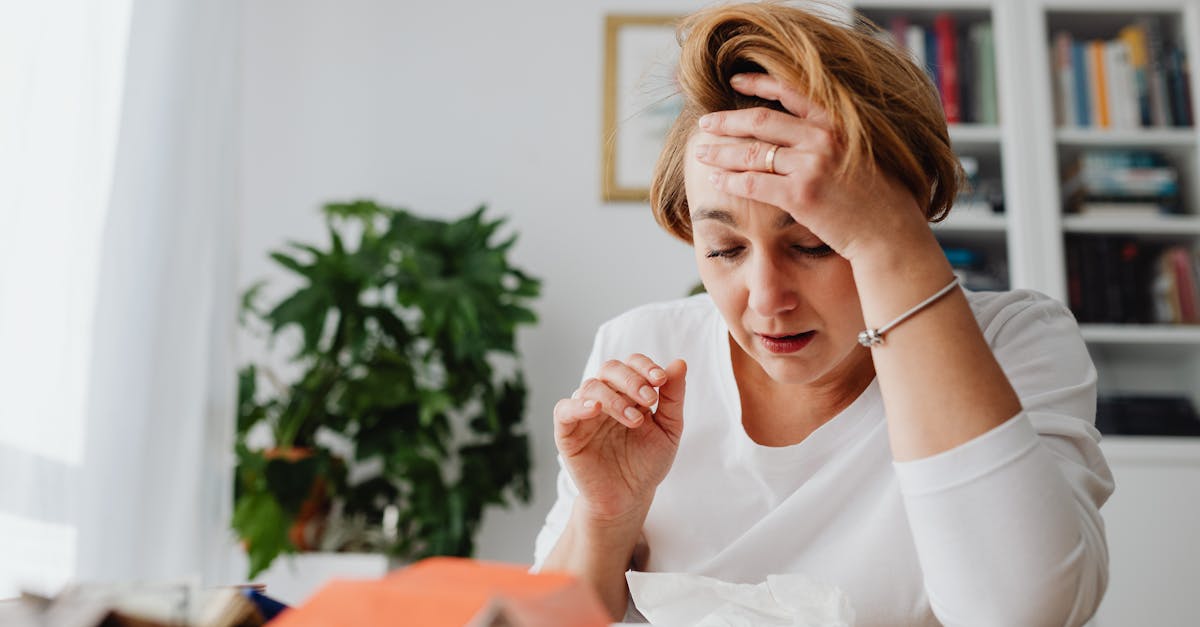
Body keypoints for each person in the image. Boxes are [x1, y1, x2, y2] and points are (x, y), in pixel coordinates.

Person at [533, 2, 1114, 625]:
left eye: (814, 243)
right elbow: (549, 617)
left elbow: (1021, 613)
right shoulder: (642, 346)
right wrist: (606, 516)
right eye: (724, 248)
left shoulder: (1013, 342)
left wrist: (892, 241)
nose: (765, 298)